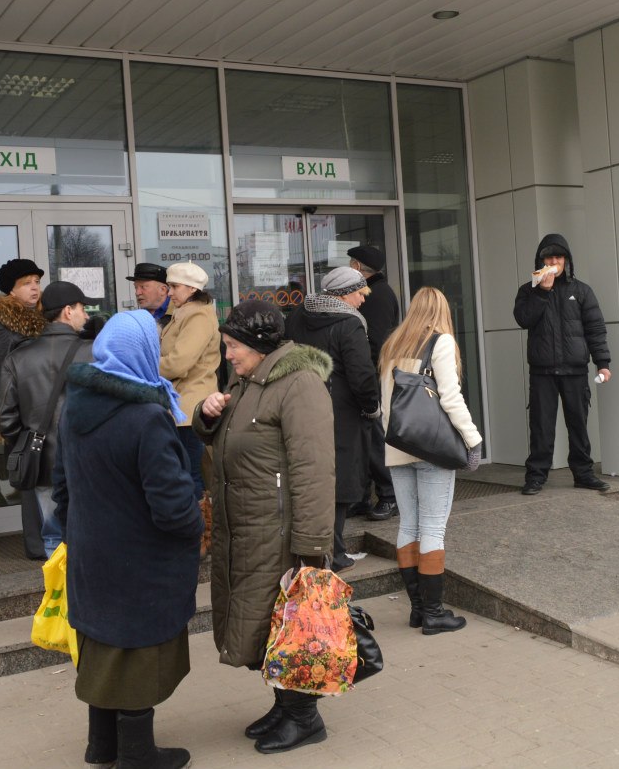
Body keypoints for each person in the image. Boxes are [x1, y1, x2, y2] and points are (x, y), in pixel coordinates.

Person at [52, 310, 202, 769]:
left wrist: (81, 530)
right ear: (142, 353)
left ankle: (102, 745)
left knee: (101, 647)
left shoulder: (74, 406)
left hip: (91, 554)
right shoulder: (146, 418)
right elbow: (172, 505)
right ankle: (137, 755)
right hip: (141, 562)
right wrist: (194, 528)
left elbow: (61, 487)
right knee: (139, 656)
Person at [193, 300, 335, 755]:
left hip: (280, 535)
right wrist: (206, 416)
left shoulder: (300, 384)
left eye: (232, 346)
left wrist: (311, 546)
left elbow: (314, 469)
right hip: (248, 529)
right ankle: (284, 704)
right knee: (262, 625)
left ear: (256, 345)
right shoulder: (246, 379)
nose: (227, 355)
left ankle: (304, 717)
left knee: (289, 626)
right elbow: (232, 439)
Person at [379, 287, 483, 634]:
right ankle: (435, 614)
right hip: (432, 448)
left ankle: (418, 610)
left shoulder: (393, 345)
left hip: (397, 447)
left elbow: (384, 405)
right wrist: (472, 440)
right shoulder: (441, 342)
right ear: (442, 311)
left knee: (408, 525)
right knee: (433, 529)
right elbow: (450, 397)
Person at [284, 266, 381, 570]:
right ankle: (335, 553)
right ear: (343, 294)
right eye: (359, 293)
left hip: (301, 407)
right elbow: (362, 374)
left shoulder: (298, 315)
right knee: (340, 482)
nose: (362, 300)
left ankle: (313, 551)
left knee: (309, 479)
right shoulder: (349, 324)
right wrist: (372, 407)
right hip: (342, 413)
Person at [0, 281, 93, 559]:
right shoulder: (95, 352)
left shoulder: (18, 357)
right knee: (91, 533)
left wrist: (29, 439)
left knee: (53, 535)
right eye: (82, 308)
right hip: (89, 459)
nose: (86, 315)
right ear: (68, 311)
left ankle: (59, 586)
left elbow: (4, 419)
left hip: (43, 463)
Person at [513, 233, 612, 495]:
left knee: (578, 424)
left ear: (566, 260)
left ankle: (583, 474)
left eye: (558, 257)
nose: (554, 262)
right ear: (541, 261)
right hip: (542, 371)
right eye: (549, 258)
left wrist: (602, 362)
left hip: (575, 369)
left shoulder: (581, 291)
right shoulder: (528, 290)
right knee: (541, 427)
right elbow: (523, 319)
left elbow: (595, 329)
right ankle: (536, 477)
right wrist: (542, 292)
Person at [159, 261, 221, 501]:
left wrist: (146, 367)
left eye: (174, 287)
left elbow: (179, 362)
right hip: (182, 405)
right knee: (186, 472)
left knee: (188, 474)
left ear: (192, 288)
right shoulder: (185, 312)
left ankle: (199, 522)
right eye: (169, 286)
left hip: (189, 407)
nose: (169, 293)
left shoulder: (197, 315)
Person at [348, 244, 401, 520]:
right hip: (367, 373)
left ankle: (389, 496)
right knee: (364, 439)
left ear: (358, 267)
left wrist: (361, 371)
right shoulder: (373, 292)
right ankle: (361, 497)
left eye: (351, 263)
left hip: (372, 375)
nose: (349, 268)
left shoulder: (378, 295)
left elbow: (375, 342)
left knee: (375, 438)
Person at [0, 258, 47, 402]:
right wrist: (7, 414)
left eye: (37, 281)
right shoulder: (0, 324)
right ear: (11, 290)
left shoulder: (46, 316)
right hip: (26, 405)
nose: (35, 287)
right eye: (27, 283)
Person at [127, 262, 174, 328]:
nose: (137, 293)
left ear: (163, 290)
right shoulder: (137, 318)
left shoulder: (180, 313)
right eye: (136, 287)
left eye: (143, 287)